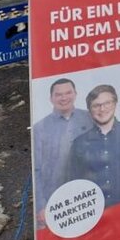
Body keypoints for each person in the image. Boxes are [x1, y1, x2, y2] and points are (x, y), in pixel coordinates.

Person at [68, 85, 120, 207]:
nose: (102, 109)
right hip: (96, 214)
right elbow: (74, 184)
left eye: (107, 103)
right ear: (89, 110)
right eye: (96, 105)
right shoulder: (79, 143)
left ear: (115, 104)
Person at [32, 78, 93, 220]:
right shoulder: (39, 129)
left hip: (88, 194)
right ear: (51, 98)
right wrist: (41, 206)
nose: (64, 98)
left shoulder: (90, 118)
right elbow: (37, 169)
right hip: (55, 198)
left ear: (75, 94)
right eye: (58, 94)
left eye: (68, 93)